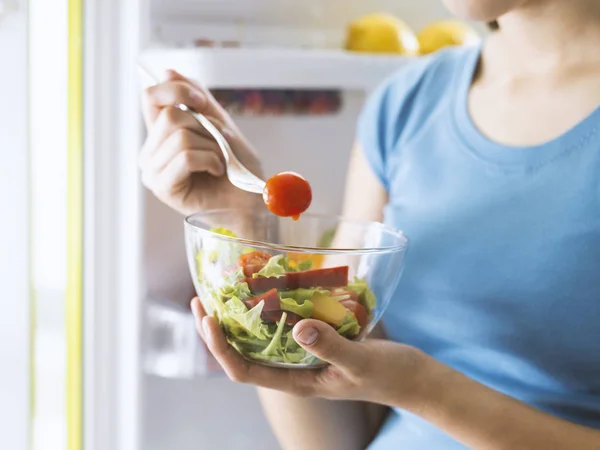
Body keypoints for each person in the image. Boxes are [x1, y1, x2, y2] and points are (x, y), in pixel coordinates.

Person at [139, 0, 600, 448]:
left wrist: (424, 388)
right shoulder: (406, 106)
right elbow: (335, 433)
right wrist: (242, 222)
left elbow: (407, 385)